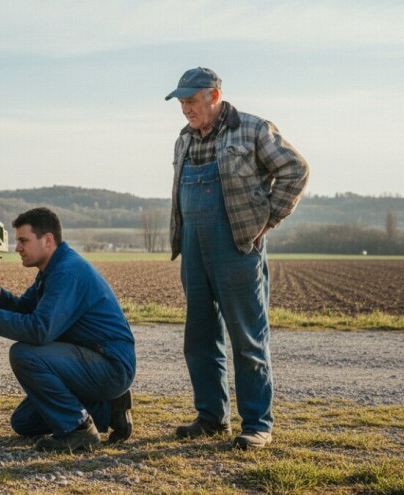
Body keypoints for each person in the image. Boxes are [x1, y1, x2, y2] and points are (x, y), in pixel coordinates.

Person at [164, 67, 309, 449]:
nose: (185, 109)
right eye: (181, 102)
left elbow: (295, 169)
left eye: (191, 101)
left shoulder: (253, 129)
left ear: (214, 96)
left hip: (238, 246)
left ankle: (257, 424)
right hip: (193, 246)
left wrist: (268, 221)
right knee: (199, 337)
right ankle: (211, 417)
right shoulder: (183, 139)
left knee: (247, 338)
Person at [0, 207, 135, 452]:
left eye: (23, 241)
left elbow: (39, 330)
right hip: (90, 362)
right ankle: (110, 408)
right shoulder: (52, 269)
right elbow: (28, 309)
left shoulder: (67, 272)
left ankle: (78, 430)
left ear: (48, 240)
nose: (17, 248)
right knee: (23, 422)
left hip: (110, 365)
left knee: (24, 354)